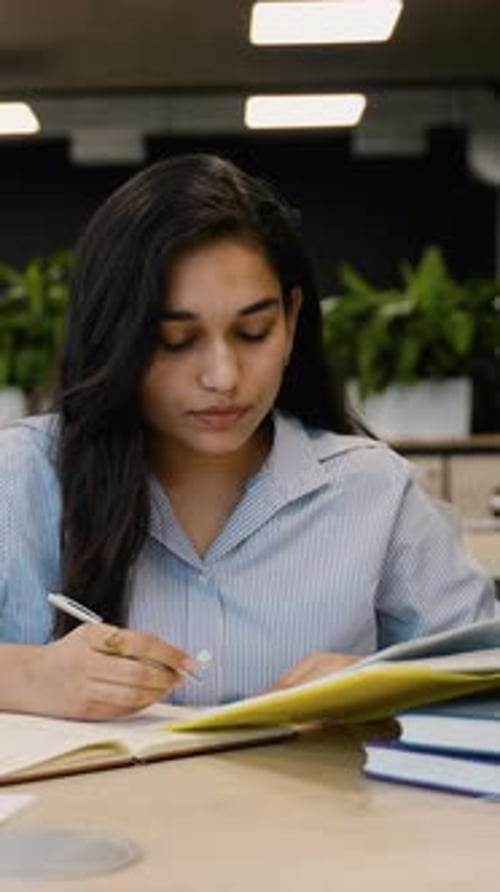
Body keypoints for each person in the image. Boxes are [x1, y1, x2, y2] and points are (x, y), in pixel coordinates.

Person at [0, 154, 494, 721]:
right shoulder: (20, 477)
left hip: (312, 812)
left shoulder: (373, 492)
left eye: (254, 332)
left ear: (291, 320)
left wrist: (389, 687)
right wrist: (27, 676)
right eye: (176, 340)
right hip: (72, 813)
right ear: (115, 338)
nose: (224, 377)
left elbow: (486, 678)